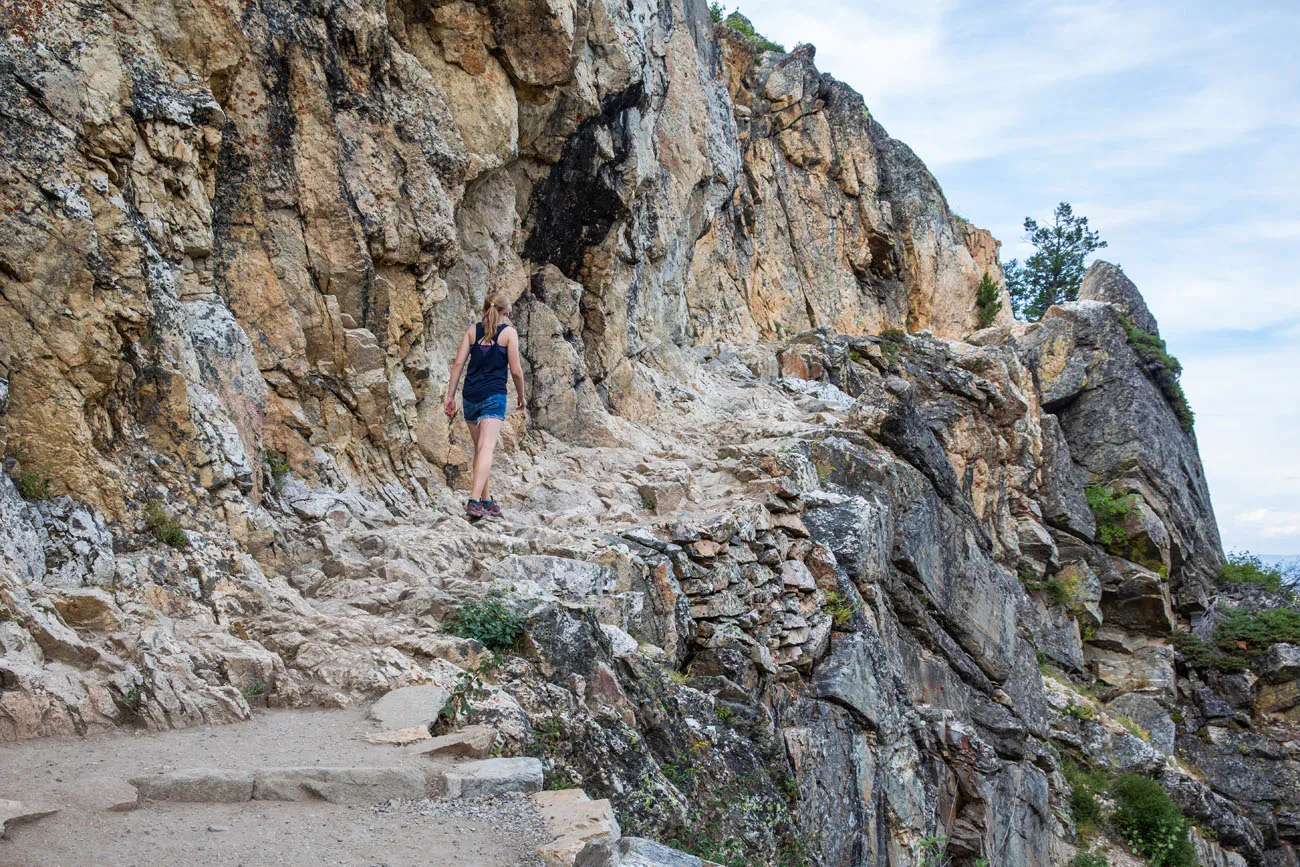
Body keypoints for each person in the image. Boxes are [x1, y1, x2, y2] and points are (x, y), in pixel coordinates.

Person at [444, 293, 525, 518]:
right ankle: (473, 500)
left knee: (480, 448)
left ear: (483, 310)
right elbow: (516, 371)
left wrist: (450, 396)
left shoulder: (472, 331)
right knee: (486, 448)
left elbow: (459, 364)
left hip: (470, 396)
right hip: (493, 396)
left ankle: (486, 500)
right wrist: (521, 396)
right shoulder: (508, 333)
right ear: (506, 313)